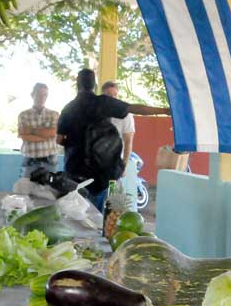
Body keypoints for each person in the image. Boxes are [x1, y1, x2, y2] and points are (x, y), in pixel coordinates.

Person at [57, 69, 168, 212]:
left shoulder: (68, 109)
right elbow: (134, 108)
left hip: (74, 172)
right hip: (104, 173)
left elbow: (59, 140)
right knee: (107, 215)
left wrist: (75, 143)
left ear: (77, 85)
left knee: (76, 215)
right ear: (94, 86)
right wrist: (164, 111)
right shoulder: (102, 103)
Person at [18, 83, 60, 178]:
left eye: (45, 95)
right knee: (26, 190)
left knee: (50, 191)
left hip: (50, 160)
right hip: (30, 160)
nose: (42, 97)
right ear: (32, 95)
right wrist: (45, 135)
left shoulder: (53, 114)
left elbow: (52, 133)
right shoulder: (23, 115)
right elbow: (24, 136)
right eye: (39, 94)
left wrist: (31, 131)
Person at [101, 81, 135, 171]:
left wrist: (124, 165)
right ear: (102, 96)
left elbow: (128, 141)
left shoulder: (126, 115)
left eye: (115, 95)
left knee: (113, 184)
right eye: (109, 94)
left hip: (114, 163)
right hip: (96, 162)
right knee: (94, 184)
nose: (112, 98)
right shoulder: (94, 112)